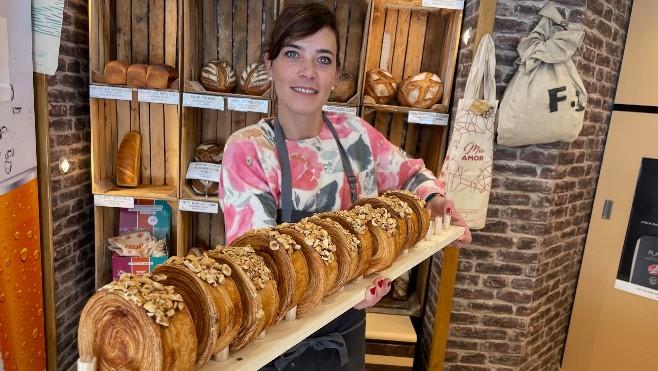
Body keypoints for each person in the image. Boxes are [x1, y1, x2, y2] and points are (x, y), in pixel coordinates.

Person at [218, 3, 472, 370]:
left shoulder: (355, 136)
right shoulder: (248, 150)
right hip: (274, 347)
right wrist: (345, 287)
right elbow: (258, 272)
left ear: (336, 73)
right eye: (293, 54)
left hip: (348, 336)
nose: (308, 72)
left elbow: (410, 173)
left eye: (323, 60)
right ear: (269, 63)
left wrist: (434, 200)